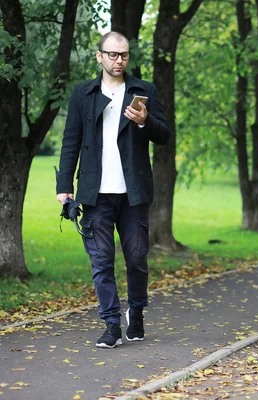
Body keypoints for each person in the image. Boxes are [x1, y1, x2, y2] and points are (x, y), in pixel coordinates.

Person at [56, 32, 170, 348]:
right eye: (112, 54)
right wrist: (64, 187)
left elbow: (164, 135)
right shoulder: (84, 94)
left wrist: (146, 120)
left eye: (124, 55)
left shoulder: (143, 91)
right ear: (99, 56)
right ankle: (111, 324)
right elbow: (70, 142)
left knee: (136, 258)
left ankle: (137, 311)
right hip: (95, 193)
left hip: (133, 191)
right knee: (102, 261)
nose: (118, 60)